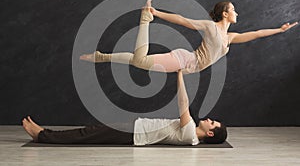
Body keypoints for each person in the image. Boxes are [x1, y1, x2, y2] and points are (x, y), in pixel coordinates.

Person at [80, 0, 298, 74]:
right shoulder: (210, 27)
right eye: (233, 9)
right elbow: (183, 20)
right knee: (140, 60)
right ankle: (146, 19)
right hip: (186, 60)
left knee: (138, 61)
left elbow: (257, 34)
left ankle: (102, 56)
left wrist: (279, 30)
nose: (237, 13)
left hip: (188, 65)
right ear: (225, 13)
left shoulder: (229, 37)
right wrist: (156, 13)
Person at [22, 70, 227, 145]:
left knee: (88, 133)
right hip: (136, 129)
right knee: (91, 133)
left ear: (209, 133)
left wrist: (180, 75)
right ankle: (43, 135)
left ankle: (42, 135)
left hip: (135, 133)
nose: (209, 119)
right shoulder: (191, 137)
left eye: (212, 122)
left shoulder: (191, 132)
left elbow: (183, 103)